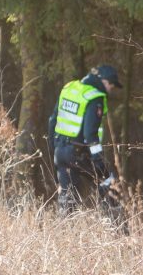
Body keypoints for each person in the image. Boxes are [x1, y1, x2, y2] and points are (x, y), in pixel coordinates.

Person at [49, 65, 122, 214]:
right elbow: (90, 134)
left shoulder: (69, 88)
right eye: (110, 85)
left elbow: (52, 120)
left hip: (60, 151)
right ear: (102, 81)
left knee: (68, 198)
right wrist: (98, 159)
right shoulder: (95, 98)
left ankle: (63, 232)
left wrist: (53, 149)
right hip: (78, 153)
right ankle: (120, 229)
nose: (110, 89)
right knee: (110, 184)